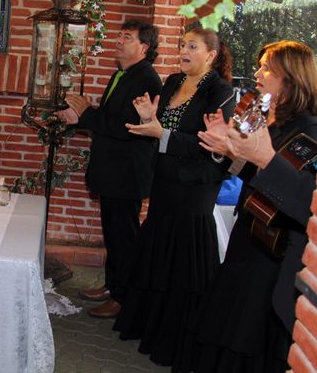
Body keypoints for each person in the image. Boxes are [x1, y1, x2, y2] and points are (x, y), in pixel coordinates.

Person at [190, 40, 317, 372]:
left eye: (267, 68)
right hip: (249, 238)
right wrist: (230, 150)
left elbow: (302, 199)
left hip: (272, 255)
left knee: (248, 336)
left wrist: (261, 158)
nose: (258, 73)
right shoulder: (276, 121)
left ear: (290, 78)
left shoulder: (309, 131)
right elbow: (258, 174)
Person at [112, 27, 234, 367]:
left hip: (196, 186)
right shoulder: (171, 83)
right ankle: (150, 326)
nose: (183, 50)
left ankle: (178, 339)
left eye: (191, 46)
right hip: (165, 180)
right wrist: (150, 119)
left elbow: (210, 145)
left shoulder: (221, 92)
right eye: (182, 44)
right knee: (158, 252)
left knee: (184, 261)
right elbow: (162, 126)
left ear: (210, 55)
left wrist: (161, 133)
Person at [56, 19, 162, 318]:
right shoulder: (124, 73)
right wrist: (83, 115)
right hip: (113, 170)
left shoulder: (146, 80)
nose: (118, 40)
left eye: (126, 37)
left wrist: (86, 113)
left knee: (123, 237)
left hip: (126, 173)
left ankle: (123, 297)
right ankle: (113, 285)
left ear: (144, 47)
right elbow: (110, 116)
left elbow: (127, 127)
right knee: (113, 234)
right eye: (119, 35)